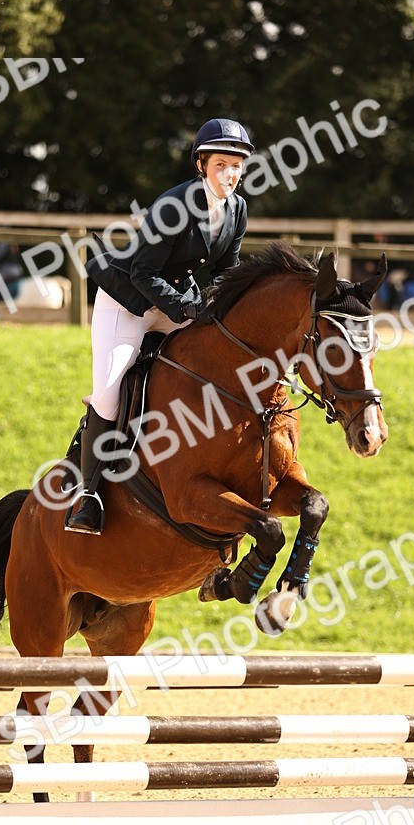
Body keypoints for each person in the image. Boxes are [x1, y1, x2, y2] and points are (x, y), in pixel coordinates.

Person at [66, 117, 254, 535]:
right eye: (221, 164)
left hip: (176, 301)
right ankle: (88, 495)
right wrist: (189, 311)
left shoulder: (237, 209)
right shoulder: (174, 206)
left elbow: (227, 270)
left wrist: (220, 307)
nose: (230, 174)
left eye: (236, 165)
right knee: (111, 392)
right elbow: (143, 274)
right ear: (202, 164)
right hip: (127, 301)